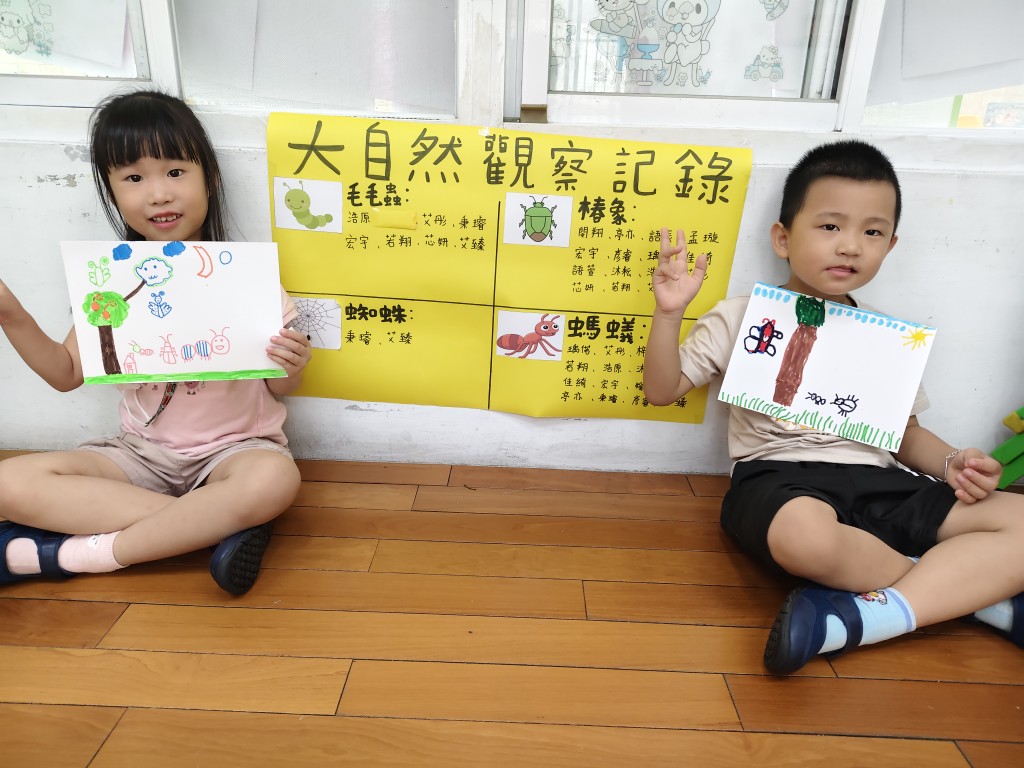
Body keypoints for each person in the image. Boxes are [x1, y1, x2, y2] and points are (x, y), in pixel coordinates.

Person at [643, 139, 1024, 674]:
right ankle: (973, 596)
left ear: (890, 246)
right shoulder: (742, 315)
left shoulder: (887, 336)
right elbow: (662, 390)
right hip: (779, 480)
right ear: (783, 238)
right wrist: (668, 314)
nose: (850, 246)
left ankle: (869, 612)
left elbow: (904, 434)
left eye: (872, 232)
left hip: (881, 481)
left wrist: (951, 463)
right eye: (829, 226)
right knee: (806, 538)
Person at [0, 90, 312, 595]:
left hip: (236, 453)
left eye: (175, 172)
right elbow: (64, 373)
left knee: (273, 481)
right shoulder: (111, 283)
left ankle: (76, 555)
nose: (159, 194)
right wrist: (10, 314)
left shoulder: (246, 278)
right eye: (133, 178)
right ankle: (213, 525)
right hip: (139, 455)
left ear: (209, 177)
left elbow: (281, 388)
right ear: (111, 191)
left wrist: (291, 365)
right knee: (7, 483)